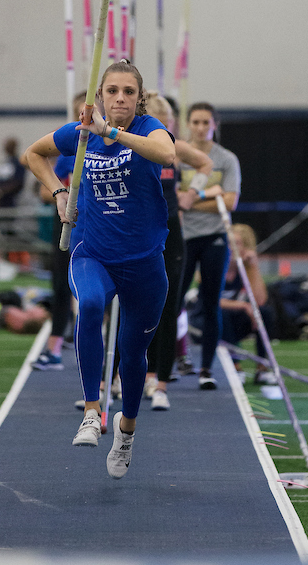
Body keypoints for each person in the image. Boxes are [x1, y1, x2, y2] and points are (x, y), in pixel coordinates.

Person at [24, 61, 175, 479]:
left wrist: (111, 132)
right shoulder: (80, 133)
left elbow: (168, 154)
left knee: (133, 354)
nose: (120, 98)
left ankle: (125, 430)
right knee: (90, 305)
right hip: (94, 252)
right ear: (101, 95)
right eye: (112, 91)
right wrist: (57, 191)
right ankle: (93, 411)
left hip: (144, 261)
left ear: (138, 97)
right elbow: (33, 154)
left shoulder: (147, 129)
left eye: (128, 91)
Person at [142, 92, 213, 410]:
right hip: (140, 236)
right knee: (139, 308)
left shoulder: (172, 146)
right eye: (161, 123)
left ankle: (161, 382)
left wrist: (193, 193)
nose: (165, 129)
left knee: (169, 307)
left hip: (171, 235)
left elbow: (205, 162)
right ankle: (130, 375)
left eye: (168, 123)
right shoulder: (134, 145)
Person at [177, 101, 241, 390]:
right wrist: (205, 200)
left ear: (215, 125)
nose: (201, 128)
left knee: (210, 301)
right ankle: (172, 360)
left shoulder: (226, 159)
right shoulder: (177, 156)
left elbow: (229, 202)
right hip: (183, 237)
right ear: (188, 124)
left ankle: (206, 368)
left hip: (215, 237)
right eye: (196, 122)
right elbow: (173, 199)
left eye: (207, 122)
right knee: (174, 301)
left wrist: (192, 200)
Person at [31, 90, 85, 372]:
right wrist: (60, 192)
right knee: (61, 286)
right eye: (78, 112)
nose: (82, 117)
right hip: (65, 220)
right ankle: (54, 348)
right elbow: (42, 186)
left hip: (98, 222)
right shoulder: (69, 146)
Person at [218, 222, 275, 383]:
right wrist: (243, 305)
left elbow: (260, 301)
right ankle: (235, 366)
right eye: (229, 243)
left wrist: (253, 266)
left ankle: (262, 367)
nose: (231, 248)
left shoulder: (247, 270)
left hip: (240, 321)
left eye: (237, 244)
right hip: (210, 322)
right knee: (223, 313)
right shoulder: (216, 265)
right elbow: (212, 302)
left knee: (265, 313)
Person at [0, 137, 26, 237]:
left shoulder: (18, 163)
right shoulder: (4, 163)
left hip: (12, 201)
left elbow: (18, 182)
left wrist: (4, 191)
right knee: (2, 227)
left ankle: (12, 251)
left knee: (11, 228)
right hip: (1, 201)